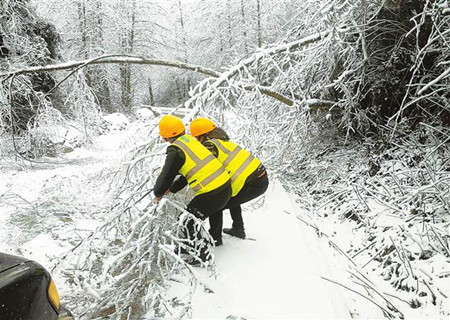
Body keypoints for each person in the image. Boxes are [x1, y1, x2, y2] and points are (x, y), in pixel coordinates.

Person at [153, 115, 232, 263]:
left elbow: (166, 176)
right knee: (189, 219)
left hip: (213, 193)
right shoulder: (190, 142)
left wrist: (158, 192)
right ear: (183, 130)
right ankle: (189, 245)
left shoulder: (175, 151)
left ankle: (204, 257)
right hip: (225, 187)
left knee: (187, 221)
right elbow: (188, 173)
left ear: (164, 138)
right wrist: (171, 189)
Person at [189, 117, 269, 242]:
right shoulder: (223, 142)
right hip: (259, 178)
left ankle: (215, 238)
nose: (197, 141)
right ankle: (238, 229)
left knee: (216, 203)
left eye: (197, 138)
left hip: (253, 183)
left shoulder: (210, 145)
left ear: (204, 136)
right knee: (229, 195)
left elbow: (201, 164)